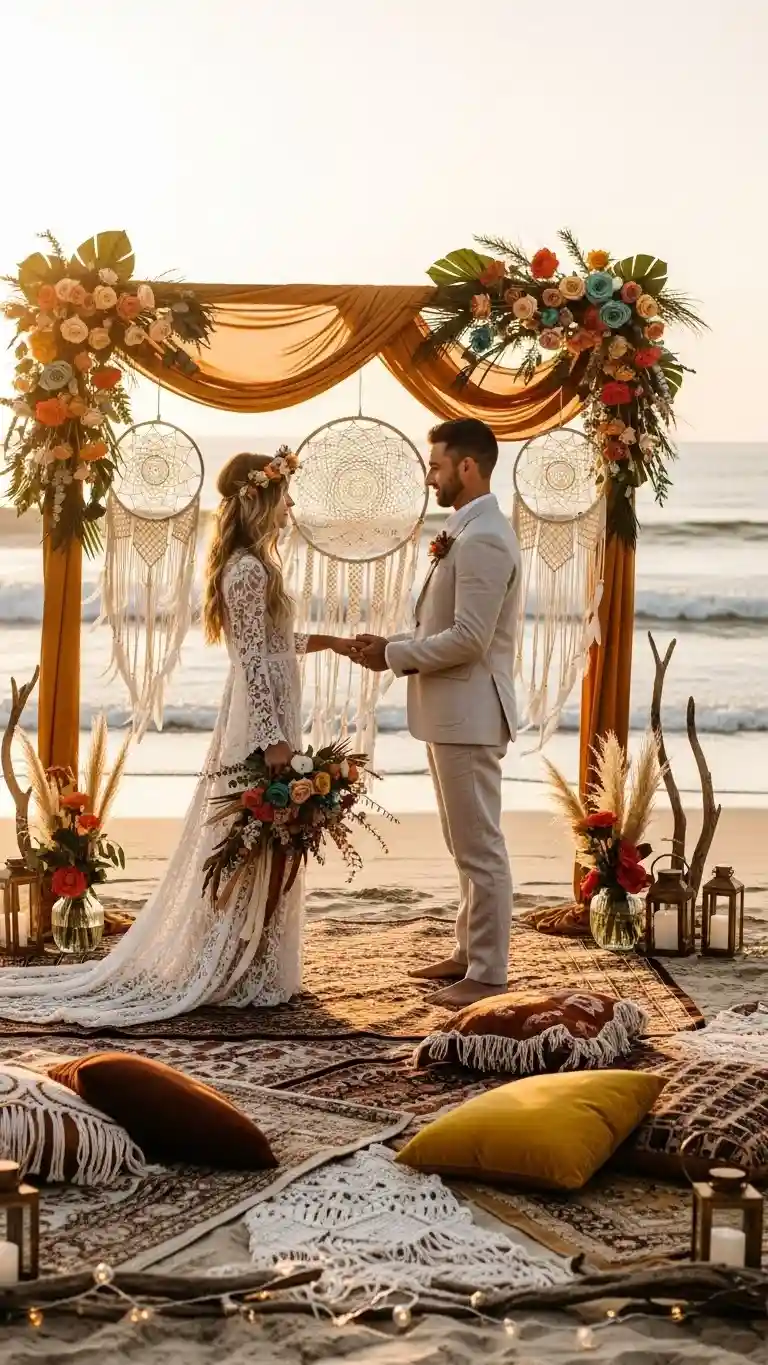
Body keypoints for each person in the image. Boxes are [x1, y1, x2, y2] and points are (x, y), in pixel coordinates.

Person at [0, 450, 352, 1026]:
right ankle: (232, 960)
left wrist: (331, 644)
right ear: (259, 496)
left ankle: (256, 958)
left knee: (265, 842)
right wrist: (272, 741)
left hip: (275, 713)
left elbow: (272, 645)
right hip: (260, 722)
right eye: (285, 494)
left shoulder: (258, 563)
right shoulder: (246, 569)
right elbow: (250, 661)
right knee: (250, 838)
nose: (291, 505)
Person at [354, 419, 521, 1008]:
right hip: (452, 712)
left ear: (467, 467)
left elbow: (470, 639)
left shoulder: (485, 539)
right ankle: (466, 953)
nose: (431, 476)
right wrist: (392, 643)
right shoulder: (466, 529)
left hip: (471, 714)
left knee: (480, 846)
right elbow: (442, 627)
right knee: (462, 842)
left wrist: (396, 655)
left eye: (436, 465)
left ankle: (489, 971)